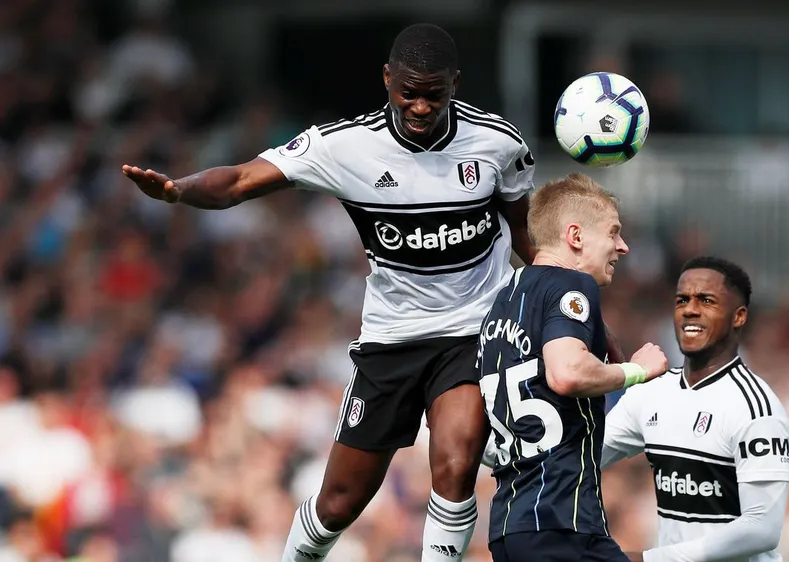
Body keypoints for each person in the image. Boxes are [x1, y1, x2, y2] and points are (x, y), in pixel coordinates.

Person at [123, 23, 542, 562]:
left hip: (473, 330)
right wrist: (180, 191)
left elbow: (526, 235)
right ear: (387, 78)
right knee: (338, 505)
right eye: (407, 92)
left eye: (433, 94)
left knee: (457, 464)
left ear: (455, 84)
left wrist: (574, 304)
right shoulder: (345, 146)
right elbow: (240, 181)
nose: (419, 106)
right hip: (391, 340)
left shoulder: (498, 143)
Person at [477, 172, 669, 562]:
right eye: (613, 233)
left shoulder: (503, 301)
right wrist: (636, 370)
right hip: (560, 522)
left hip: (511, 526)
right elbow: (566, 373)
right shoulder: (569, 285)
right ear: (575, 237)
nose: (623, 246)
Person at [602, 256, 789, 562]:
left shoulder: (756, 408)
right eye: (682, 300)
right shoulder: (652, 393)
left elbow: (762, 528)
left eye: (706, 300)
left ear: (739, 316)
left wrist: (649, 560)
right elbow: (582, 459)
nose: (690, 309)